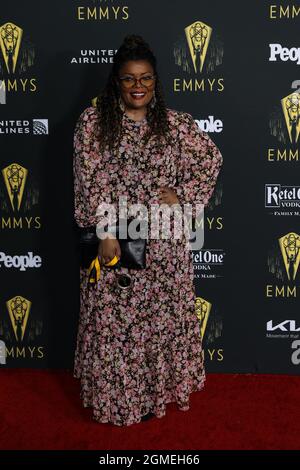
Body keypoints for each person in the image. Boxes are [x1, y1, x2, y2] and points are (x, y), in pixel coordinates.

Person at [73, 34, 223, 426]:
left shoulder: (174, 124)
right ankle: (117, 402)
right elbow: (88, 180)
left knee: (158, 327)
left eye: (146, 78)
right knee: (114, 325)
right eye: (128, 79)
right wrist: (104, 232)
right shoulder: (94, 123)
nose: (137, 86)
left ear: (156, 81)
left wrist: (183, 194)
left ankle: (152, 398)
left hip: (164, 246)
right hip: (117, 240)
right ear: (116, 82)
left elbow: (212, 158)